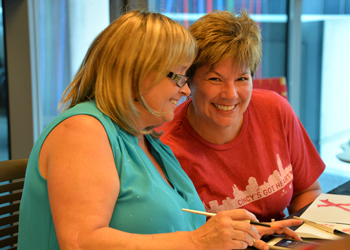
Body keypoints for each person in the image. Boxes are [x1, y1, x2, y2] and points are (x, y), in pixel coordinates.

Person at [17, 10, 301, 250]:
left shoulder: (145, 138)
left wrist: (244, 232)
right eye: (179, 76)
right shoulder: (81, 131)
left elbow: (175, 228)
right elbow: (80, 241)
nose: (186, 90)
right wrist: (197, 241)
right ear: (136, 73)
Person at [159, 10, 325, 222]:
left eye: (242, 78)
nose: (231, 95)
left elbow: (307, 191)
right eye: (215, 79)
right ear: (189, 82)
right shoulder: (165, 146)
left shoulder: (275, 110)